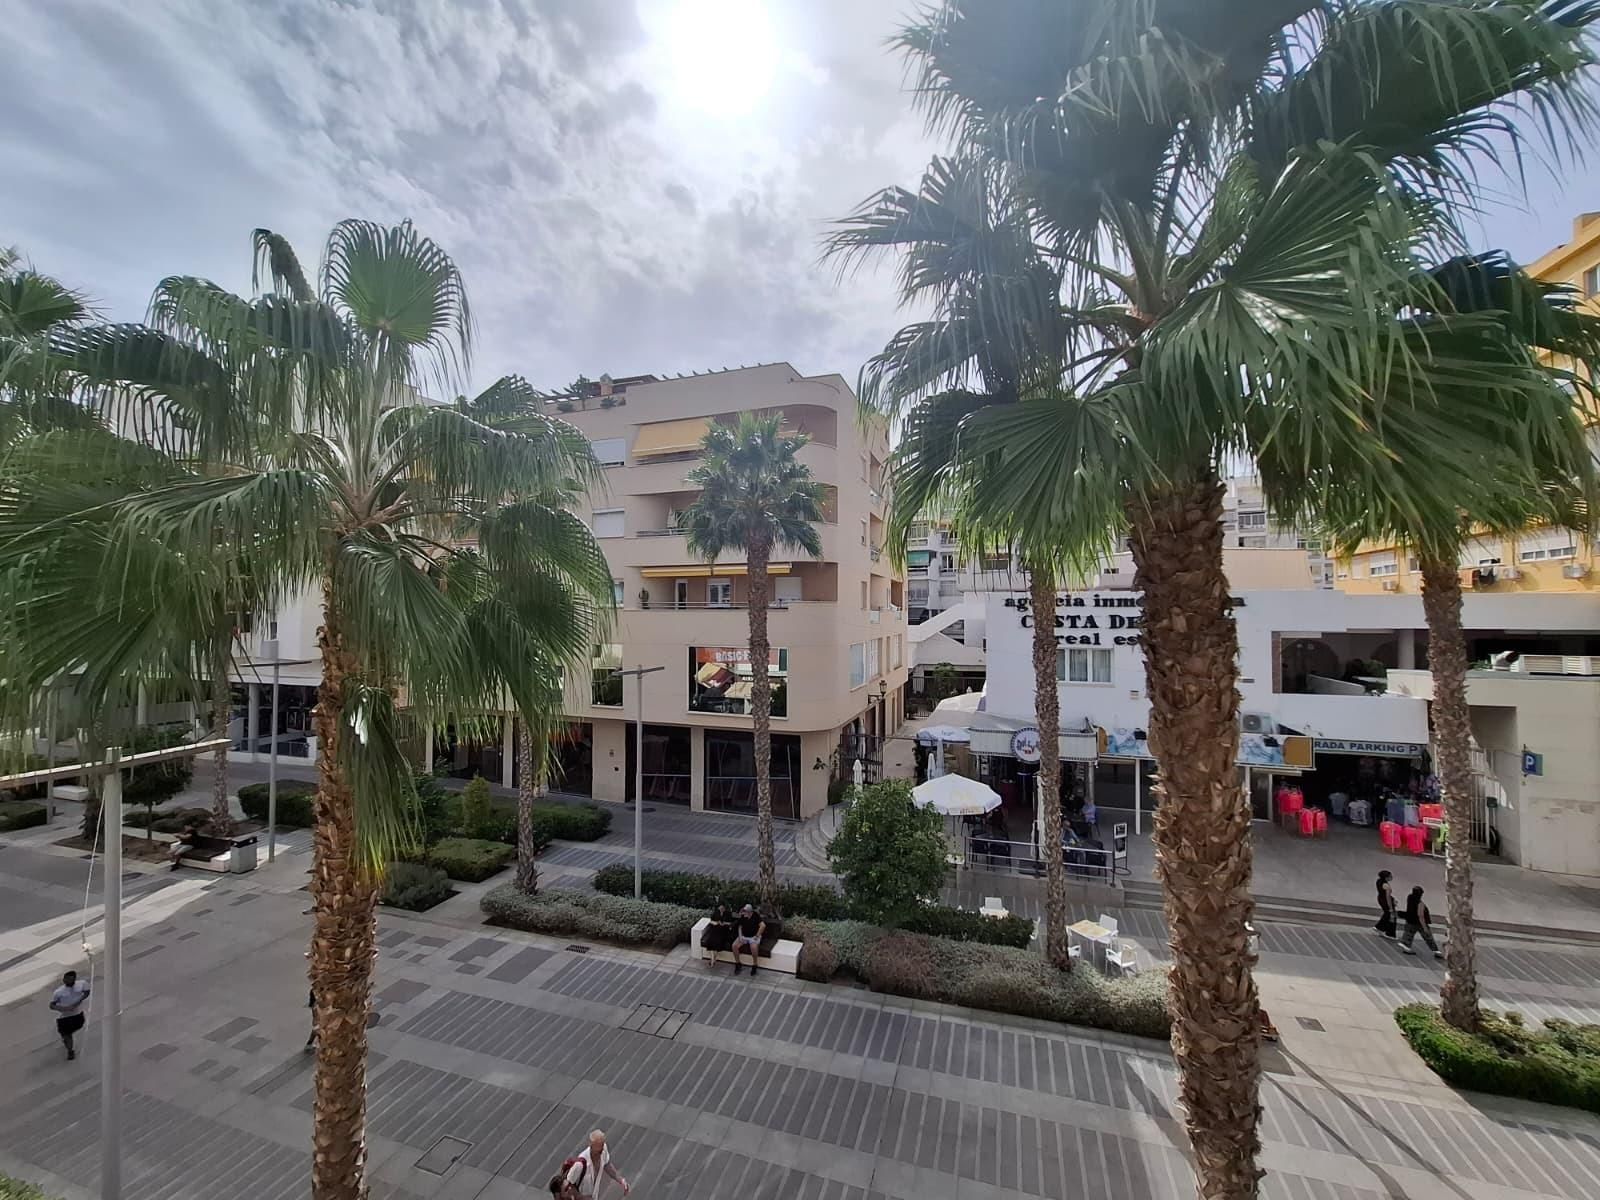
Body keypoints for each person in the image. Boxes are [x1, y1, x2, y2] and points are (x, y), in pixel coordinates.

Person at [563, 1129, 629, 1198]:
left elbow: (607, 1164)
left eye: (601, 1150)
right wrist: (581, 1197)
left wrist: (621, 1180)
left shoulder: (603, 1149)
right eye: (597, 1152)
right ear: (591, 1146)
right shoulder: (580, 1164)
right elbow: (568, 1184)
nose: (600, 1154)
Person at [50, 970, 91, 1061]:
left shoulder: (82, 984)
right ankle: (70, 1050)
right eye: (66, 979)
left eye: (70, 979)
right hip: (65, 1017)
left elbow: (87, 992)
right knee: (66, 1035)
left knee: (67, 1035)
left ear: (74, 979)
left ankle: (69, 1047)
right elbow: (52, 1005)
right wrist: (64, 1009)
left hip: (78, 1015)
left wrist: (79, 1000)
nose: (67, 981)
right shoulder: (59, 992)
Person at [1399, 885, 1443, 958]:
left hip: (1410, 920)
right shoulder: (1420, 904)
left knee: (1408, 934)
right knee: (1428, 937)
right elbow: (1421, 916)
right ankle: (1436, 950)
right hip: (1419, 923)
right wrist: (1425, 927)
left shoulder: (1410, 897)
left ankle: (1406, 946)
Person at [730, 903, 765, 977]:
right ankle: (738, 963)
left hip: (753, 936)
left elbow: (763, 926)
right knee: (734, 946)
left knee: (754, 948)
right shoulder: (743, 916)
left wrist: (757, 935)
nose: (743, 913)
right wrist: (740, 936)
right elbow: (740, 926)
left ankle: (755, 965)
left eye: (745, 911)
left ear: (749, 912)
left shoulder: (755, 915)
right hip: (744, 936)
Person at [702, 900, 734, 969]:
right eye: (720, 908)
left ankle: (713, 960)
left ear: (724, 907)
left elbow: (730, 923)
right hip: (715, 929)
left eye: (722, 908)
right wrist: (716, 923)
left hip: (723, 930)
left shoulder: (728, 913)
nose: (721, 909)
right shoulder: (716, 912)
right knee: (710, 941)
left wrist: (724, 923)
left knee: (718, 942)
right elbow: (711, 920)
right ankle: (713, 959)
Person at [1374, 870, 1397, 939]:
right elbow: (1388, 897)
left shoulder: (1379, 881)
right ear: (1386, 877)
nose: (1391, 877)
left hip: (1380, 898)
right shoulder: (1386, 886)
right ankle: (1389, 933)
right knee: (1391, 915)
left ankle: (1379, 927)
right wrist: (1390, 907)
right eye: (1390, 876)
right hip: (1386, 901)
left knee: (1387, 914)